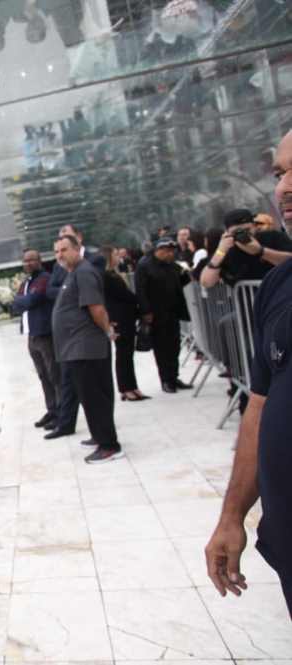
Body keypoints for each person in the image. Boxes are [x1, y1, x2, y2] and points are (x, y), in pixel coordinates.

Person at [205, 130, 292, 617]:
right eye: (280, 174)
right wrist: (232, 516)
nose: (283, 188)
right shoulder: (280, 287)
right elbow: (259, 405)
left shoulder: (274, 255)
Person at [50, 235, 122, 463]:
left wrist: (107, 330)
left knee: (95, 397)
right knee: (90, 397)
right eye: (57, 251)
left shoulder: (84, 272)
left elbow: (96, 308)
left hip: (86, 347)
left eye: (64, 250)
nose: (60, 255)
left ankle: (109, 446)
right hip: (77, 348)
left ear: (78, 249)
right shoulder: (73, 273)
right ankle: (100, 436)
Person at [43, 223, 98, 440]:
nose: (60, 253)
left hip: (85, 336)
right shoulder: (60, 267)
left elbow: (93, 297)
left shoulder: (92, 261)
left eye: (65, 244)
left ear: (78, 240)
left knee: (90, 387)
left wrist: (68, 289)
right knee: (68, 381)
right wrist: (67, 289)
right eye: (57, 248)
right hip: (67, 339)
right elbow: (50, 290)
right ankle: (66, 423)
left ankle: (102, 434)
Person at [10, 249, 61, 429]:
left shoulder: (44, 279)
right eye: (25, 261)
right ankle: (52, 409)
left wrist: (21, 300)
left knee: (54, 374)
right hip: (31, 336)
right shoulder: (26, 282)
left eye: (31, 260)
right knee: (43, 376)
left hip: (45, 335)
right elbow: (15, 305)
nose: (28, 263)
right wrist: (21, 300)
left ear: (39, 261)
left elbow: (31, 301)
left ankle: (62, 413)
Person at [135, 238, 192, 393]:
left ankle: (174, 376)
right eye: (167, 251)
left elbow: (179, 281)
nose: (170, 254)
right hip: (156, 313)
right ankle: (166, 380)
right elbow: (140, 290)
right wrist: (146, 312)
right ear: (159, 250)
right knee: (162, 348)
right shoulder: (144, 265)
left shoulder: (171, 265)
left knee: (174, 346)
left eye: (172, 251)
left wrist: (187, 273)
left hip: (172, 310)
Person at [99, 246, 148, 401]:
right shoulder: (107, 276)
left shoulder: (113, 274)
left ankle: (131, 386)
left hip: (125, 317)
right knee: (124, 354)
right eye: (114, 253)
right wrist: (140, 301)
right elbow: (124, 295)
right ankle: (126, 388)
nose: (118, 256)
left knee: (127, 354)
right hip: (119, 318)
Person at [200, 208, 292, 289]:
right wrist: (220, 251)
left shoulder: (272, 237)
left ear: (255, 226)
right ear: (227, 233)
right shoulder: (228, 249)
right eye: (236, 232)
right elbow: (206, 282)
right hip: (250, 305)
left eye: (247, 230)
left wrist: (261, 251)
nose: (242, 234)